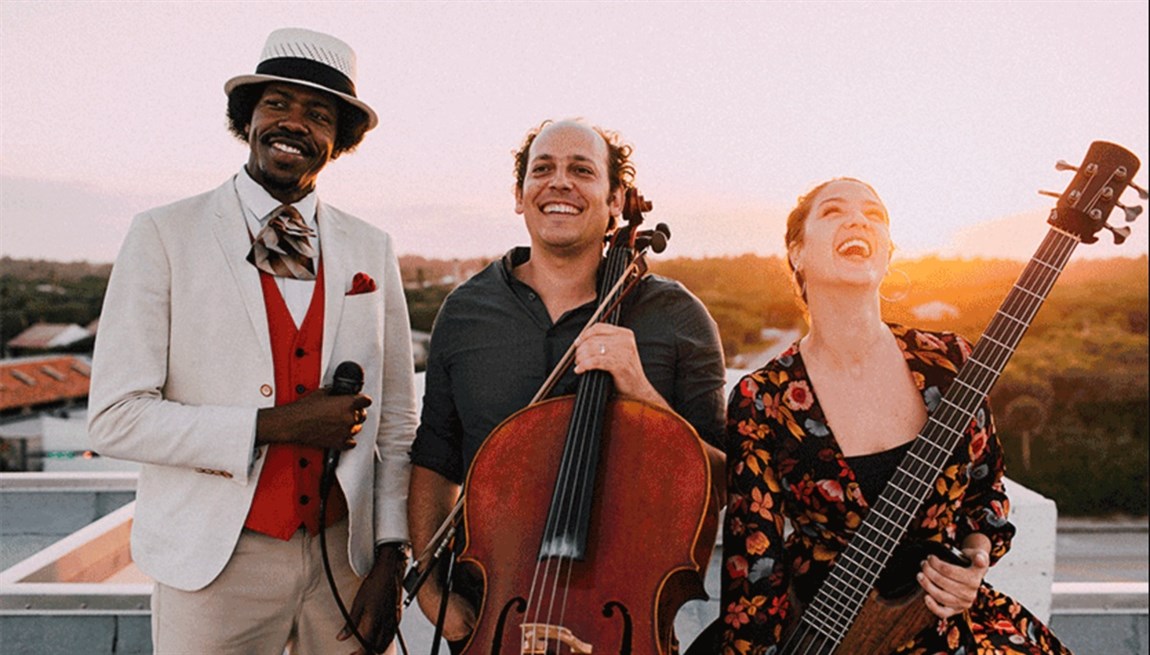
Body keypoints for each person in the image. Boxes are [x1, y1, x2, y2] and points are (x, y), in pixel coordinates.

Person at [87, 28, 416, 655]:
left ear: (338, 140)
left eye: (318, 114)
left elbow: (397, 421)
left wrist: (389, 556)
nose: (294, 124)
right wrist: (276, 424)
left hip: (342, 567)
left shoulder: (372, 247)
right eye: (276, 104)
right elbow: (112, 418)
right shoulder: (163, 234)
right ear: (248, 118)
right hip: (213, 566)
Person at [407, 119, 728, 646]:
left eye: (582, 170)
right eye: (543, 170)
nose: (560, 183)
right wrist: (430, 590)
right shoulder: (465, 312)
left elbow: (725, 483)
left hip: (622, 625)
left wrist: (641, 395)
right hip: (495, 622)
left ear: (615, 199)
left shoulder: (677, 317)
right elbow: (436, 458)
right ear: (519, 195)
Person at [718, 178, 1071, 653]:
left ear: (887, 254)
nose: (859, 219)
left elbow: (986, 491)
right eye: (833, 211)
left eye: (875, 215)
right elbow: (752, 565)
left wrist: (972, 563)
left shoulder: (950, 361)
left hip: (948, 629)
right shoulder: (762, 398)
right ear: (797, 253)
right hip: (827, 638)